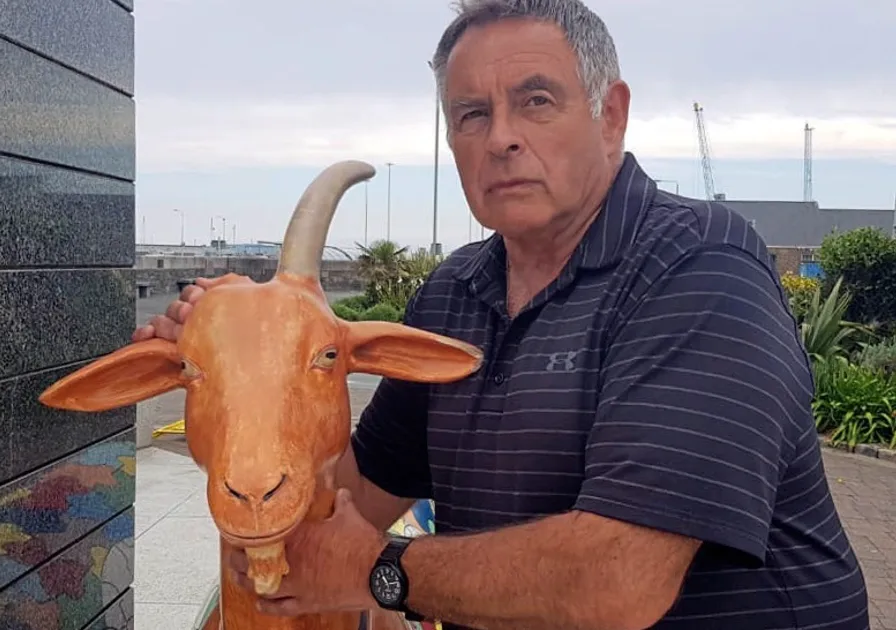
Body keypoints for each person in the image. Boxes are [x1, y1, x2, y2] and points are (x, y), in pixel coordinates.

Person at [138, 0, 869, 628]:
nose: (501, 137)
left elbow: (619, 582)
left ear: (610, 116)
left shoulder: (700, 267)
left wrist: (383, 569)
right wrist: (252, 366)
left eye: (536, 100)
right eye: (471, 115)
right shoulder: (455, 292)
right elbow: (345, 497)